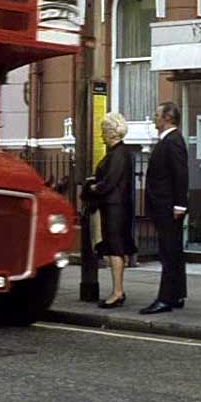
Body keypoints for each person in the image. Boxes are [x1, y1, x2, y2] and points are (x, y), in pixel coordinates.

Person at [84, 112, 137, 309]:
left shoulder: (118, 154)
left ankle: (117, 292)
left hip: (115, 208)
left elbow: (110, 182)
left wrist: (93, 186)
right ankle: (118, 290)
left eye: (104, 131)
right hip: (116, 207)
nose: (101, 135)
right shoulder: (120, 153)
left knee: (115, 249)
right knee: (115, 249)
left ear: (111, 133)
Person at [140, 102, 189, 315]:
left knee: (169, 252)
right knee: (174, 251)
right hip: (166, 206)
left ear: (167, 118)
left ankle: (166, 298)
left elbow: (180, 174)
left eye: (157, 115)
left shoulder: (173, 141)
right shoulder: (168, 140)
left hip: (169, 207)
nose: (154, 118)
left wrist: (179, 204)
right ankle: (177, 294)